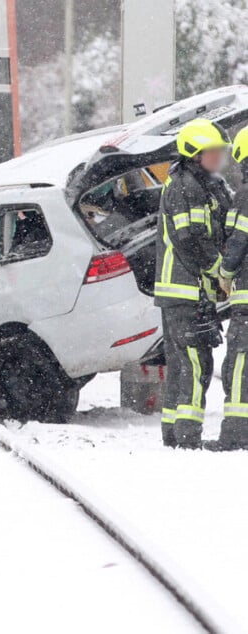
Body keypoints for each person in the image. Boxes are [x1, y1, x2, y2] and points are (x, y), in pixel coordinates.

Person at [155, 119, 230, 449]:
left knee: (180, 365)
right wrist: (221, 270)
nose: (219, 159)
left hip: (182, 291)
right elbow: (192, 240)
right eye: (213, 153)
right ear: (194, 154)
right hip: (186, 289)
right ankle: (187, 438)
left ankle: (173, 434)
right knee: (196, 365)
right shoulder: (188, 187)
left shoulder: (200, 184)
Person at [209, 127, 248, 450]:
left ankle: (236, 434)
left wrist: (223, 273)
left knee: (238, 366)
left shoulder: (246, 196)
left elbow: (237, 244)